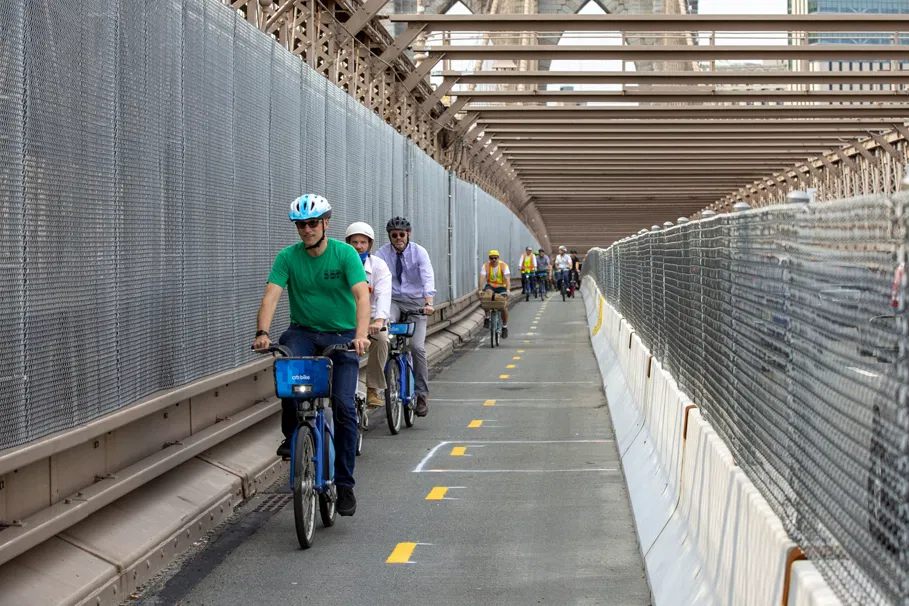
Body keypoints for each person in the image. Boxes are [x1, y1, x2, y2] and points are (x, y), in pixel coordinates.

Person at [253, 194, 370, 517]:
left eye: (312, 223)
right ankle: (293, 436)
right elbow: (271, 297)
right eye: (301, 225)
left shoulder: (345, 254)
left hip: (343, 335)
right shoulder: (288, 258)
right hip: (303, 331)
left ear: (325, 224)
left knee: (344, 406)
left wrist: (361, 336)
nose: (306, 230)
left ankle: (344, 484)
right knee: (288, 370)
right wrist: (262, 333)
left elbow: (362, 296)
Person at [375, 217, 435, 418]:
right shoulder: (382, 254)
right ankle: (381, 384)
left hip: (417, 303)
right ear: (389, 236)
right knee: (383, 334)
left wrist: (428, 303)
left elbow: (427, 277)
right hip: (392, 301)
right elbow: (373, 275)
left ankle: (421, 395)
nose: (398, 238)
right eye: (394, 235)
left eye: (402, 234)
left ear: (408, 234)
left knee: (417, 347)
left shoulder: (420, 252)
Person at [346, 222, 392, 408]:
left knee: (381, 339)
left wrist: (379, 319)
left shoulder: (379, 266)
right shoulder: (341, 263)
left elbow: (383, 294)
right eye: (354, 242)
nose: (358, 246)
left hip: (372, 318)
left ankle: (372, 388)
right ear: (347, 243)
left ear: (370, 244)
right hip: (347, 318)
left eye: (363, 242)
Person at [479, 249, 510, 339]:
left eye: (495, 258)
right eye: (492, 258)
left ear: (498, 258)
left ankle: (504, 327)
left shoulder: (504, 266)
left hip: (501, 287)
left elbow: (507, 278)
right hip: (491, 286)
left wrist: (507, 290)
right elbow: (481, 277)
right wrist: (480, 290)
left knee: (504, 306)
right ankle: (487, 317)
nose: (493, 260)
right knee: (486, 296)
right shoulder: (486, 266)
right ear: (489, 258)